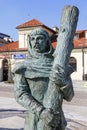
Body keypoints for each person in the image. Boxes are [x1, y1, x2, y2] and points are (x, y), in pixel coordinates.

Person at [12, 28, 74, 130]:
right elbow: (20, 94)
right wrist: (42, 112)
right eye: (33, 39)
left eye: (40, 38)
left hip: (57, 121)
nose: (36, 41)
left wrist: (63, 83)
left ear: (47, 42)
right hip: (35, 121)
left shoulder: (59, 65)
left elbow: (70, 96)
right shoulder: (23, 67)